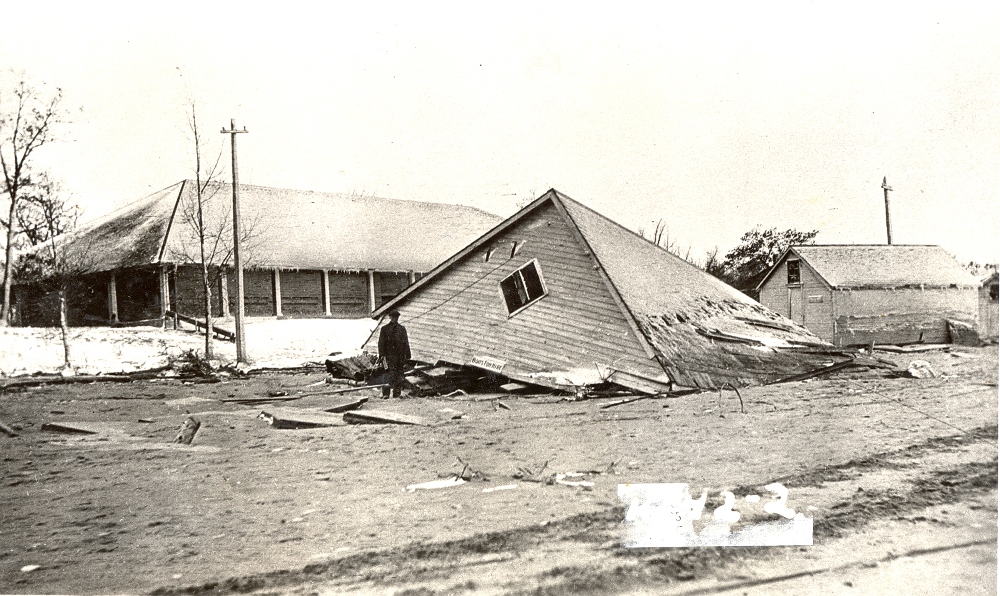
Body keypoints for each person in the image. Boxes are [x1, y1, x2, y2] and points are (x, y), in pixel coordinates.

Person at [377, 310, 411, 398]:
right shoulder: (384, 329)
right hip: (387, 357)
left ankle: (397, 393)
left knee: (399, 375)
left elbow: (405, 342)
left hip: (399, 356)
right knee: (386, 374)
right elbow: (381, 343)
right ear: (390, 317)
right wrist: (381, 355)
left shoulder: (402, 329)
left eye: (396, 317)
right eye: (393, 317)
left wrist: (407, 355)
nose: (395, 319)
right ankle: (385, 394)